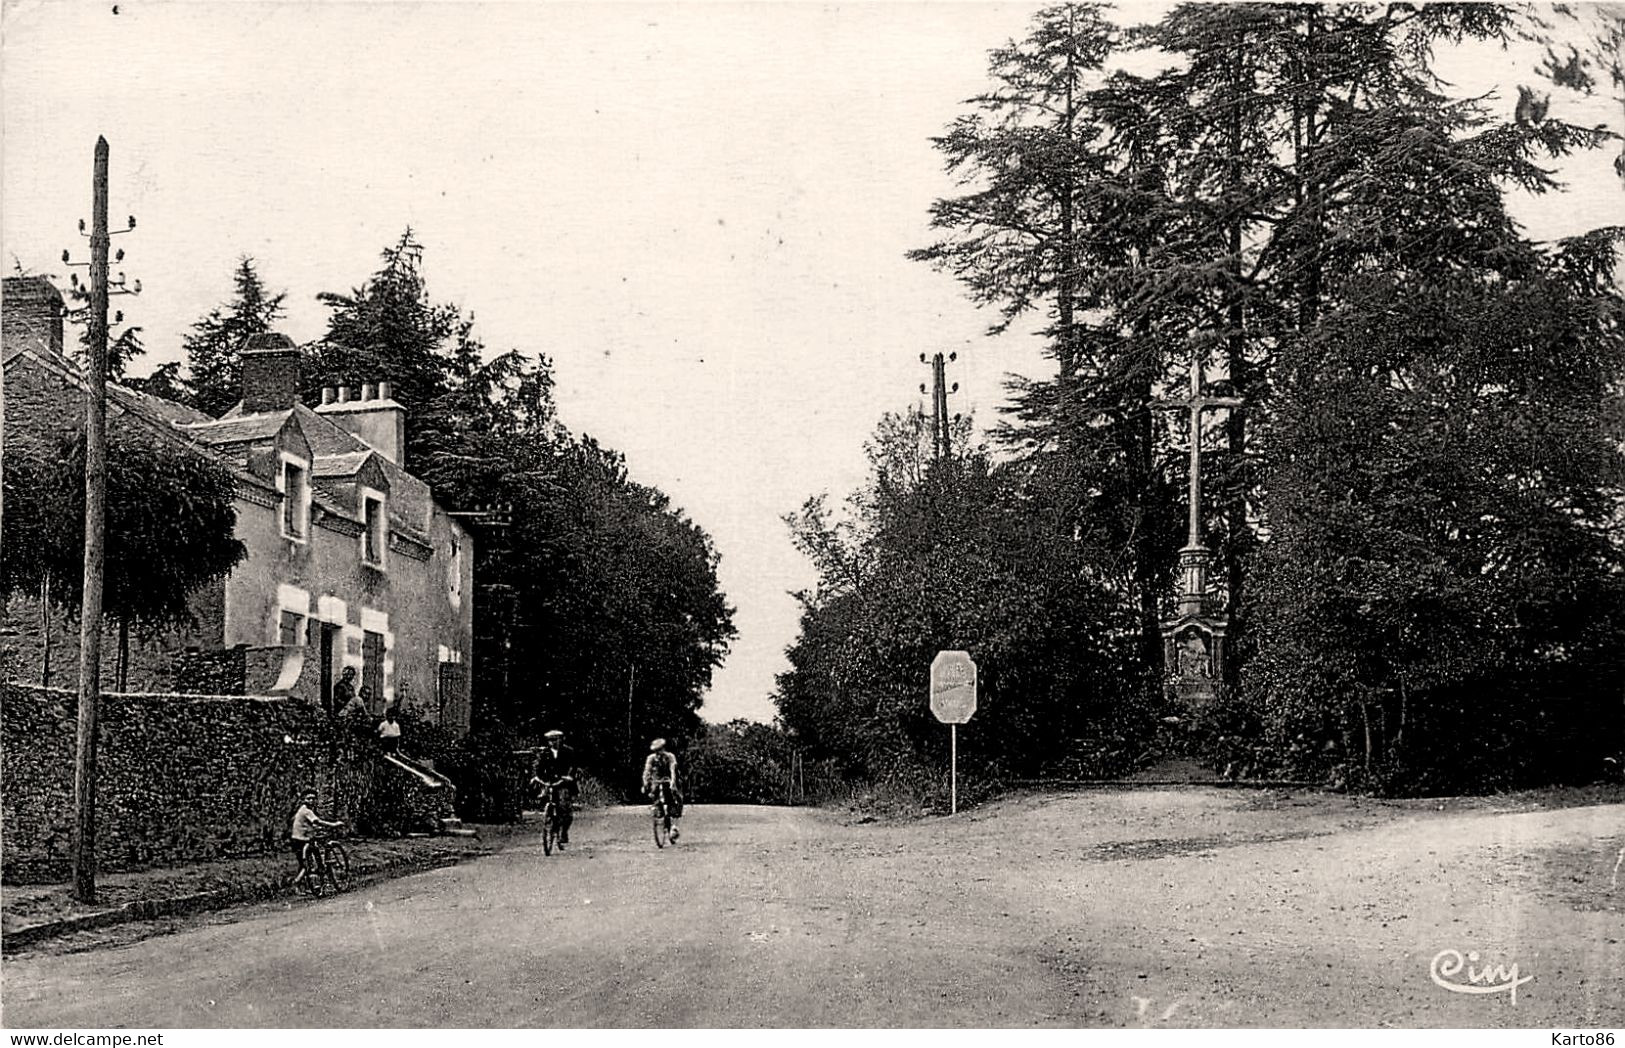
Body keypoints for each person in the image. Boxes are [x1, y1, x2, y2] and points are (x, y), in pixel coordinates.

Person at [529, 729, 577, 847]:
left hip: (563, 782)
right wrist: (535, 777)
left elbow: (573, 766)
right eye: (550, 740)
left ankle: (563, 832)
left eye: (555, 740)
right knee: (544, 796)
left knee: (564, 807)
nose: (552, 743)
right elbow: (537, 766)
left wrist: (569, 776)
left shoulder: (568, 751)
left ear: (561, 740)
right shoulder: (544, 753)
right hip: (549, 781)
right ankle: (548, 819)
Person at [289, 788, 343, 889]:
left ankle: (312, 885)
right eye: (309, 799)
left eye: (313, 798)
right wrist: (333, 825)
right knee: (308, 863)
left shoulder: (303, 810)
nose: (311, 801)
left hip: (299, 838)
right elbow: (317, 821)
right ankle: (297, 883)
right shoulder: (306, 811)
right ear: (304, 800)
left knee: (306, 862)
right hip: (302, 840)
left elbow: (308, 823)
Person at [641, 738, 682, 841]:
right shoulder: (651, 758)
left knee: (675, 797)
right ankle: (657, 810)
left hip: (669, 779)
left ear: (663, 749)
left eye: (659, 750)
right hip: (657, 780)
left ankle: (674, 824)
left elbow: (673, 770)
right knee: (654, 793)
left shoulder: (670, 757)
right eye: (655, 751)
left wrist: (673, 782)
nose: (658, 753)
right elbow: (647, 771)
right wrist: (645, 783)